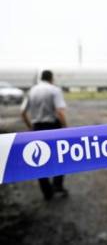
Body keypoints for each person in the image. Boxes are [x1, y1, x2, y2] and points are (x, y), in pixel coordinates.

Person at [21, 70, 68, 201]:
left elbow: (23, 112)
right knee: (60, 157)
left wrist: (31, 127)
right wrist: (65, 127)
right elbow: (59, 112)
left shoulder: (32, 91)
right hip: (53, 127)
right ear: (51, 78)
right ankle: (57, 186)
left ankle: (47, 192)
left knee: (40, 160)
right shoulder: (54, 90)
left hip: (37, 127)